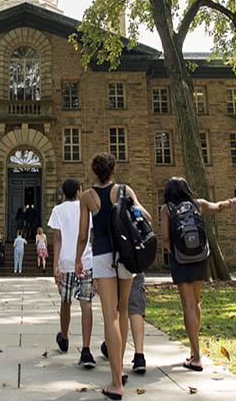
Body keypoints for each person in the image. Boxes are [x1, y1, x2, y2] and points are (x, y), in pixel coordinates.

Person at [76, 152, 151, 400]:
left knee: (110, 317)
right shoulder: (124, 190)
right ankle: (119, 371)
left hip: (102, 255)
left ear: (94, 171)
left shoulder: (87, 196)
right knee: (123, 310)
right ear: (113, 169)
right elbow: (145, 216)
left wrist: (78, 259)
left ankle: (116, 381)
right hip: (126, 255)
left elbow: (83, 235)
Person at [160, 177, 236, 373]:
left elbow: (165, 237)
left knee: (187, 304)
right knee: (196, 302)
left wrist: (174, 253)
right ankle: (195, 350)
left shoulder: (166, 209)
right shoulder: (198, 204)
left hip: (181, 259)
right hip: (200, 258)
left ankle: (196, 357)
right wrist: (231, 202)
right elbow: (218, 207)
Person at [49, 178, 96, 368]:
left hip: (67, 262)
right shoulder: (86, 208)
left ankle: (65, 337)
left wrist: (55, 266)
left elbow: (57, 238)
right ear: (78, 191)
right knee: (86, 303)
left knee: (65, 301)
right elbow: (90, 235)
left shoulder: (58, 210)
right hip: (85, 261)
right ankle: (86, 349)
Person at [100, 272, 147, 374]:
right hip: (133, 264)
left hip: (111, 267)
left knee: (112, 309)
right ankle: (139, 355)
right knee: (134, 308)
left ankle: (115, 355)